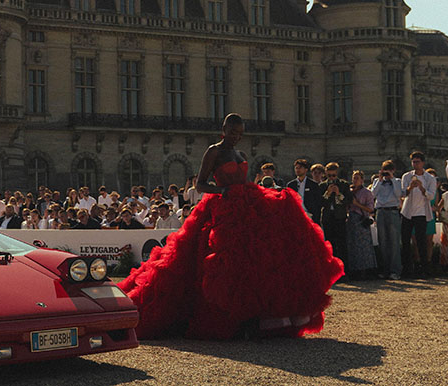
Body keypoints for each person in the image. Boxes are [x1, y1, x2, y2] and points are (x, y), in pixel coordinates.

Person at [118, 113, 343, 340]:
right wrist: (222, 190)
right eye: (233, 132)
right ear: (223, 130)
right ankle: (237, 316)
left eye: (240, 134)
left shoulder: (240, 153)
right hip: (224, 207)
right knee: (224, 260)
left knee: (262, 253)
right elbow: (202, 183)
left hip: (245, 203)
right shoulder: (214, 151)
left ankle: (264, 314)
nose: (236, 137)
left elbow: (243, 180)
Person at [401, 151, 436, 277]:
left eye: (417, 162)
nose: (415, 164)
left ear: (423, 163)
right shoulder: (406, 176)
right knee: (405, 241)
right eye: (413, 162)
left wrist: (421, 188)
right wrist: (410, 187)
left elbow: (431, 195)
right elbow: (402, 193)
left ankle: (424, 268)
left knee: (421, 242)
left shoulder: (430, 178)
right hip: (407, 212)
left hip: (421, 213)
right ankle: (407, 269)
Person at [371, 160, 404, 279]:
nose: (386, 174)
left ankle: (395, 270)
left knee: (394, 242)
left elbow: (398, 194)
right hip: (380, 211)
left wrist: (392, 179)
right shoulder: (377, 181)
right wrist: (380, 180)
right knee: (382, 242)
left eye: (388, 171)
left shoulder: (398, 181)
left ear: (393, 171)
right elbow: (372, 195)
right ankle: (384, 270)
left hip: (393, 211)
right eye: (384, 171)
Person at [320, 162, 353, 272]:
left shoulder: (344, 185)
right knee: (330, 244)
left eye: (333, 175)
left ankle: (344, 270)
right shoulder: (322, 186)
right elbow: (319, 203)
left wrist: (339, 194)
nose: (331, 178)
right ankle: (331, 270)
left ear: (337, 174)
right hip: (328, 218)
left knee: (342, 244)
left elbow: (348, 201)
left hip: (340, 217)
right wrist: (327, 194)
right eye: (329, 176)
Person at [346, 170, 377, 280]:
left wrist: (356, 204)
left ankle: (365, 271)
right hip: (351, 220)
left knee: (363, 247)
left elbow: (370, 209)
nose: (355, 180)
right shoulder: (349, 191)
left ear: (362, 180)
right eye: (354, 178)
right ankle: (354, 270)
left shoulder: (367, 193)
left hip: (361, 219)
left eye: (357, 178)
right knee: (352, 245)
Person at [286, 159, 323, 225]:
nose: (298, 170)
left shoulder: (313, 185)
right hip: (296, 216)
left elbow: (318, 202)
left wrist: (315, 216)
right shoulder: (291, 185)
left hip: (310, 216)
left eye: (300, 168)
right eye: (296, 168)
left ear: (306, 169)